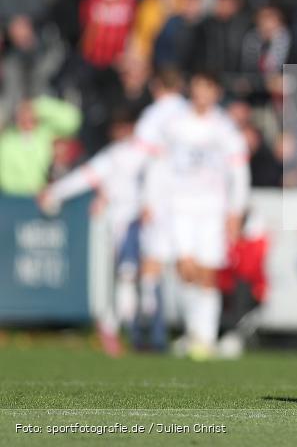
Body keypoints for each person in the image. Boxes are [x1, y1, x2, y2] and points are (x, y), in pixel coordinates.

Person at [154, 71, 250, 359]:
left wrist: (235, 211)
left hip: (211, 209)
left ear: (216, 93)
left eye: (207, 88)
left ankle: (204, 337)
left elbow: (239, 172)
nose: (201, 94)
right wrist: (155, 201)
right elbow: (160, 165)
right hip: (180, 206)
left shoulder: (224, 128)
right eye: (197, 88)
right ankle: (193, 331)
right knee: (185, 268)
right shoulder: (174, 124)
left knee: (207, 272)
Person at [38, 108, 144, 356]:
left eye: (127, 127)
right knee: (125, 275)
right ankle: (118, 328)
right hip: (124, 222)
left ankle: (136, 328)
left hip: (149, 221)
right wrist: (54, 193)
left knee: (140, 277)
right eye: (119, 127)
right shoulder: (113, 156)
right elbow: (82, 179)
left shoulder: (149, 152)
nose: (124, 133)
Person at [133, 68, 189, 351]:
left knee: (153, 263)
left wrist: (142, 198)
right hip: (189, 198)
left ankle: (149, 324)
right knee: (186, 263)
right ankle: (192, 332)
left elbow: (139, 158)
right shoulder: (190, 111)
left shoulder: (153, 115)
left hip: (159, 195)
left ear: (157, 86)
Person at [0, 96, 81, 196]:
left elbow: (72, 120)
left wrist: (40, 106)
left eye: (29, 111)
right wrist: (28, 190)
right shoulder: (6, 141)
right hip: (14, 199)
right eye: (22, 112)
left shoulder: (43, 134)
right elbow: (5, 176)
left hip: (39, 197)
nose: (26, 116)